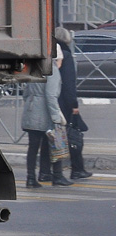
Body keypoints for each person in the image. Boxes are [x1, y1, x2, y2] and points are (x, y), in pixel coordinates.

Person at [21, 44, 71, 188]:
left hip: (31, 113)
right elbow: (51, 96)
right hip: (45, 115)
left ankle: (30, 179)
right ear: (57, 59)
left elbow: (25, 94)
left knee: (33, 148)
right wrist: (56, 118)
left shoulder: (34, 68)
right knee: (56, 144)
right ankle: (58, 176)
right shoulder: (53, 71)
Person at [54, 27, 93, 179]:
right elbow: (69, 84)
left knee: (53, 138)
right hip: (65, 104)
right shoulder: (66, 56)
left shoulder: (50, 55)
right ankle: (76, 169)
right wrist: (74, 106)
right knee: (74, 136)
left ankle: (47, 173)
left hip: (53, 102)